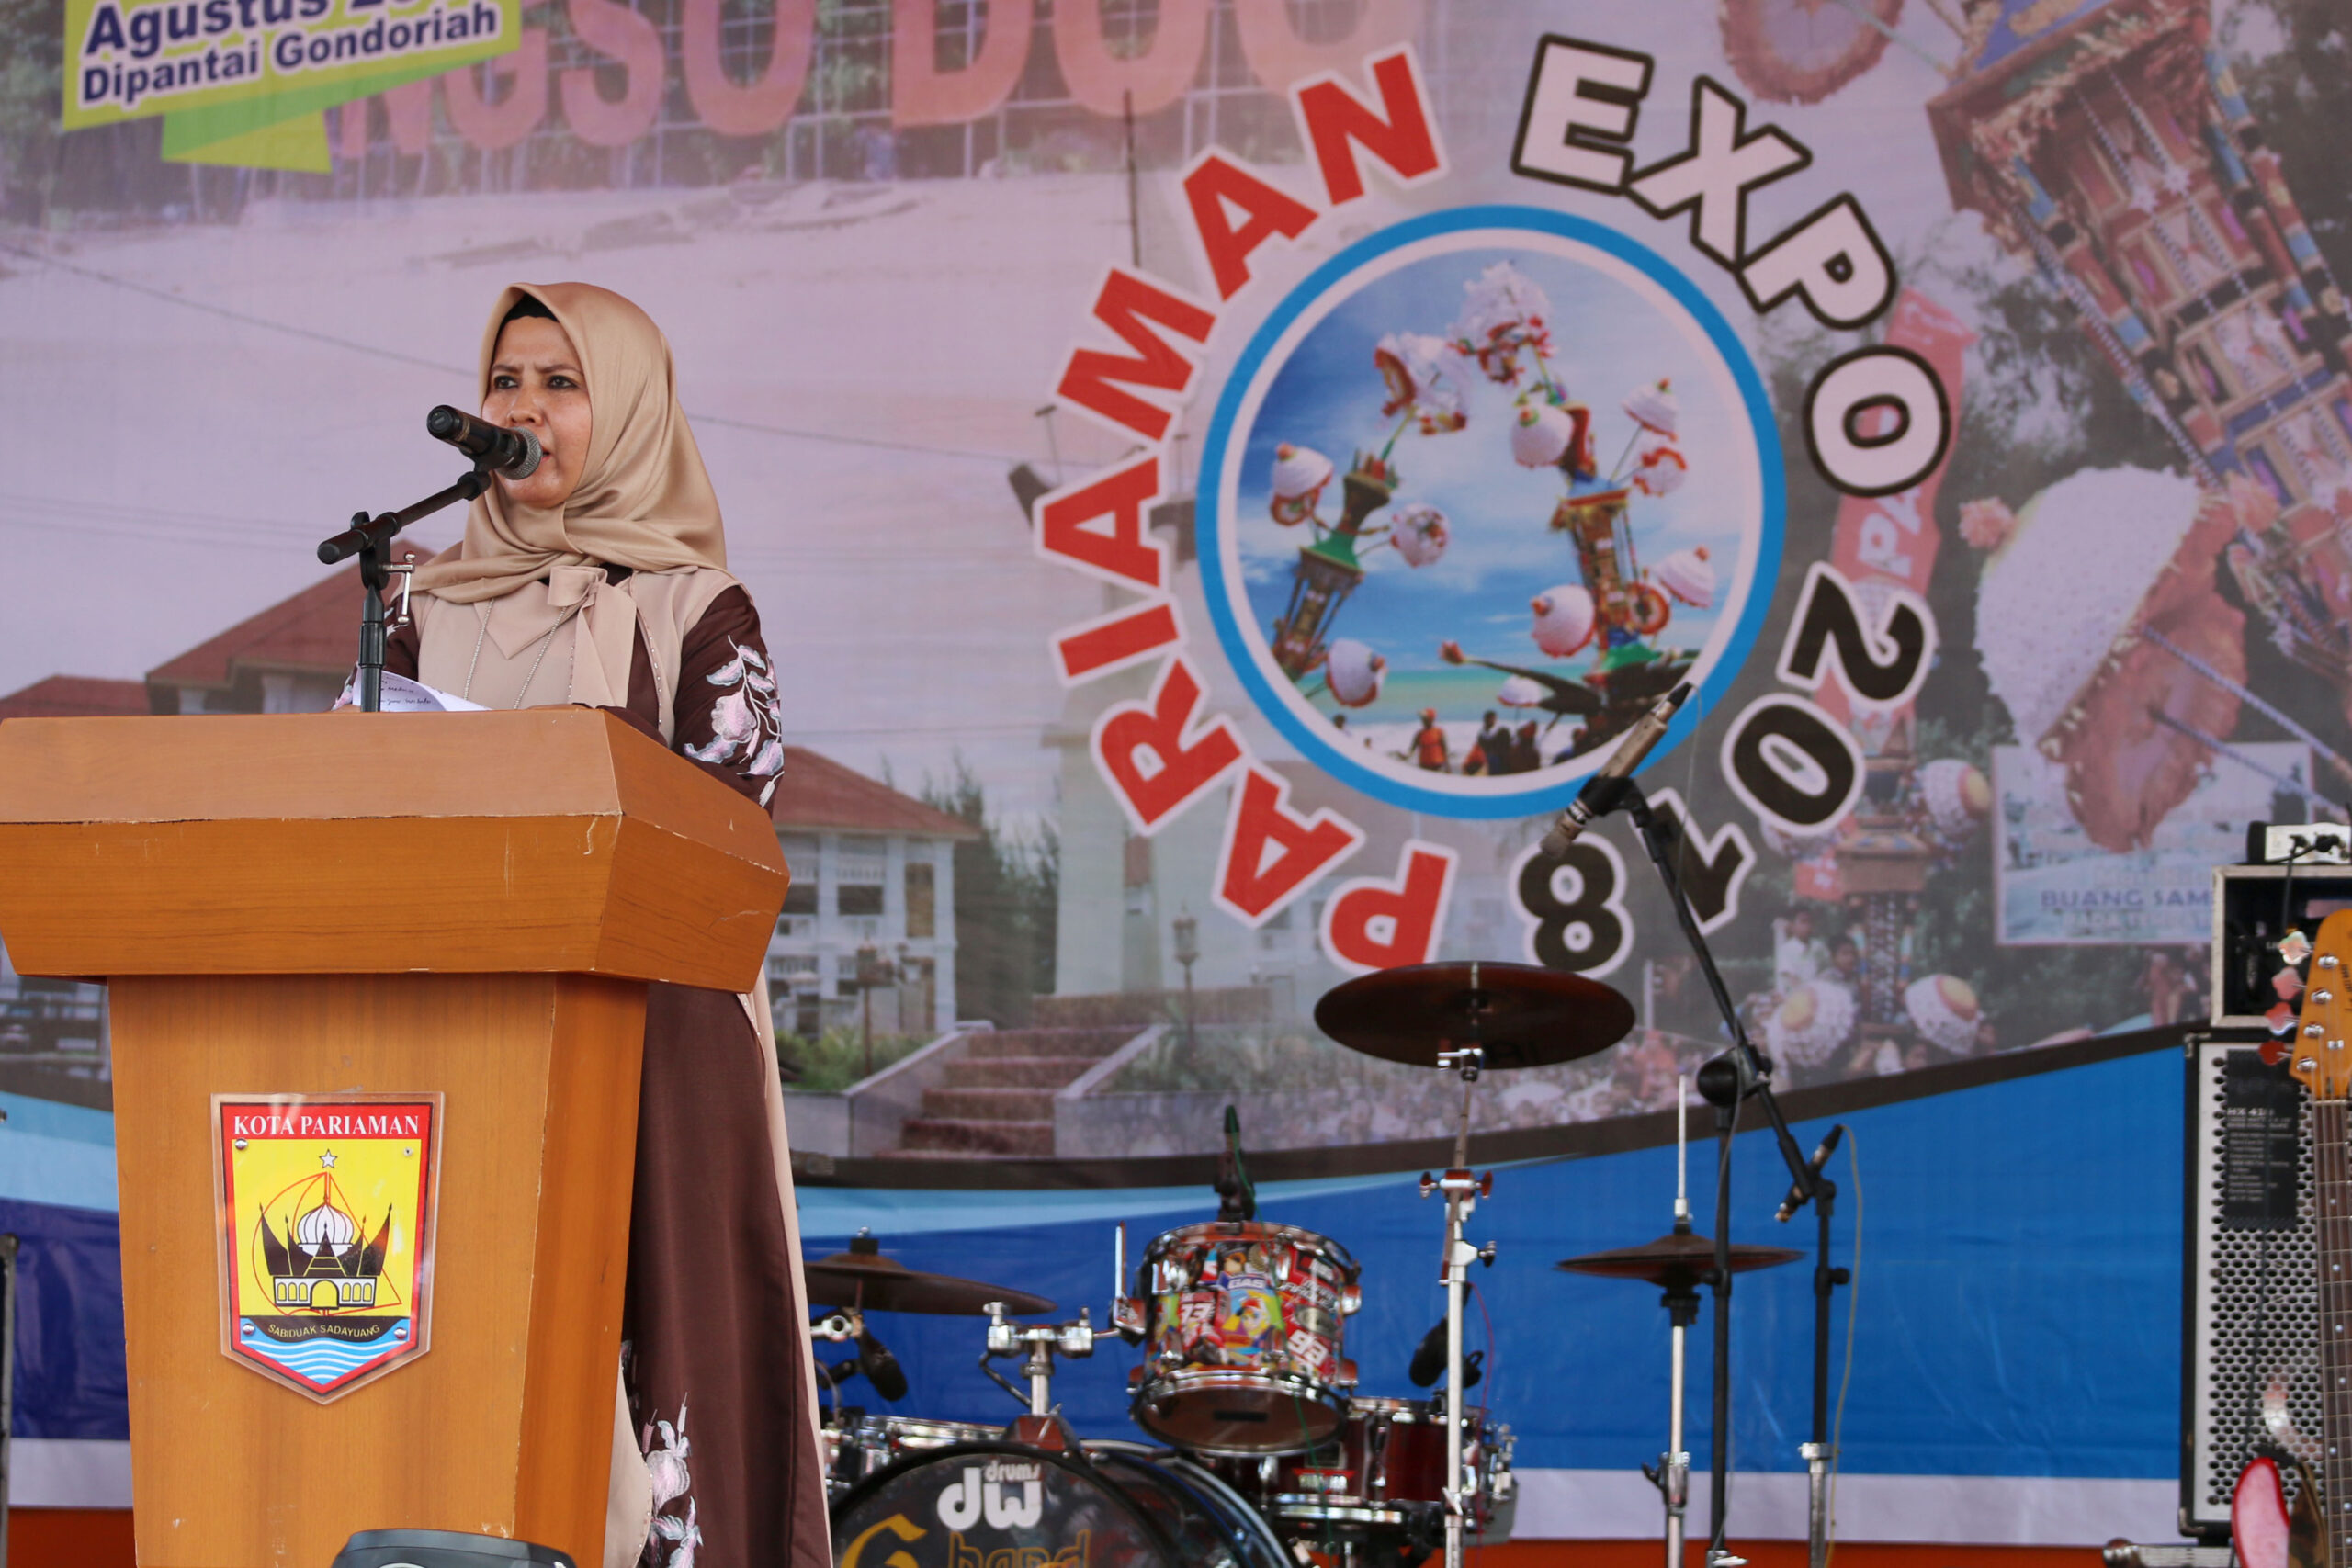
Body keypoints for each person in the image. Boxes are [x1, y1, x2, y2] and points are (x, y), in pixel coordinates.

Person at [384, 283, 826, 1568]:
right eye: (507, 380)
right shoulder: (418, 600)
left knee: (649, 1367)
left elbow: (724, 853)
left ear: (629, 410)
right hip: (447, 1046)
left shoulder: (699, 610)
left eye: (561, 384)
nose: (522, 408)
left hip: (650, 1052)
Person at [1412, 707, 1450, 772]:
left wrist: (1447, 767)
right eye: (1423, 718)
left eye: (1425, 718)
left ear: (1431, 719)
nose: (1423, 720)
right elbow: (1412, 750)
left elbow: (1445, 750)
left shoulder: (1439, 732)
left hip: (1438, 766)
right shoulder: (1419, 734)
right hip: (1424, 766)